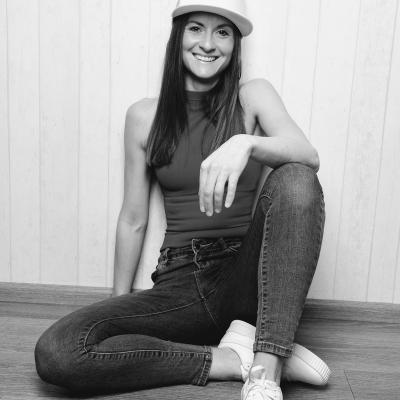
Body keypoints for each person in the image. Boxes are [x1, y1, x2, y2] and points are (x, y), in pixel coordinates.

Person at [34, 1, 330, 399]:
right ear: (178, 36)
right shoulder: (144, 117)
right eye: (196, 28)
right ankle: (233, 358)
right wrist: (117, 311)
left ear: (235, 45)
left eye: (222, 32)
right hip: (182, 282)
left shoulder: (253, 97)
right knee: (59, 350)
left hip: (246, 276)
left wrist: (245, 143)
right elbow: (133, 219)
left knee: (296, 178)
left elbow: (308, 155)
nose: (208, 43)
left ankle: (267, 366)